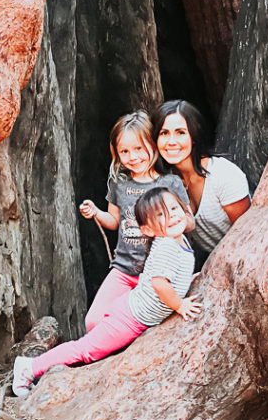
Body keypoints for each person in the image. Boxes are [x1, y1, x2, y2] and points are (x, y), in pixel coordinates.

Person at [13, 187, 200, 397]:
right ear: (148, 230)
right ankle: (29, 367)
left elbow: (173, 276)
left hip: (132, 311)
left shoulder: (178, 239)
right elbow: (159, 283)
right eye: (161, 215)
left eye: (174, 208)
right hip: (130, 318)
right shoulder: (167, 246)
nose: (172, 216)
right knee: (86, 349)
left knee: (91, 348)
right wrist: (180, 305)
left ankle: (34, 367)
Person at [78, 111, 191, 332]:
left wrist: (169, 225)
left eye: (139, 148)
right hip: (124, 269)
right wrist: (96, 212)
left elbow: (190, 221)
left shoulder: (170, 183)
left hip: (159, 273)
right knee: (94, 322)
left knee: (147, 325)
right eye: (125, 151)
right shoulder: (119, 184)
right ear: (116, 153)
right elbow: (114, 221)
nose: (133, 157)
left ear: (153, 144)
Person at [153, 100, 252, 259]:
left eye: (180, 133)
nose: (171, 142)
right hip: (215, 262)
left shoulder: (223, 174)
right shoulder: (167, 183)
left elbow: (249, 234)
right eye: (164, 133)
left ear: (194, 136)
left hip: (249, 257)